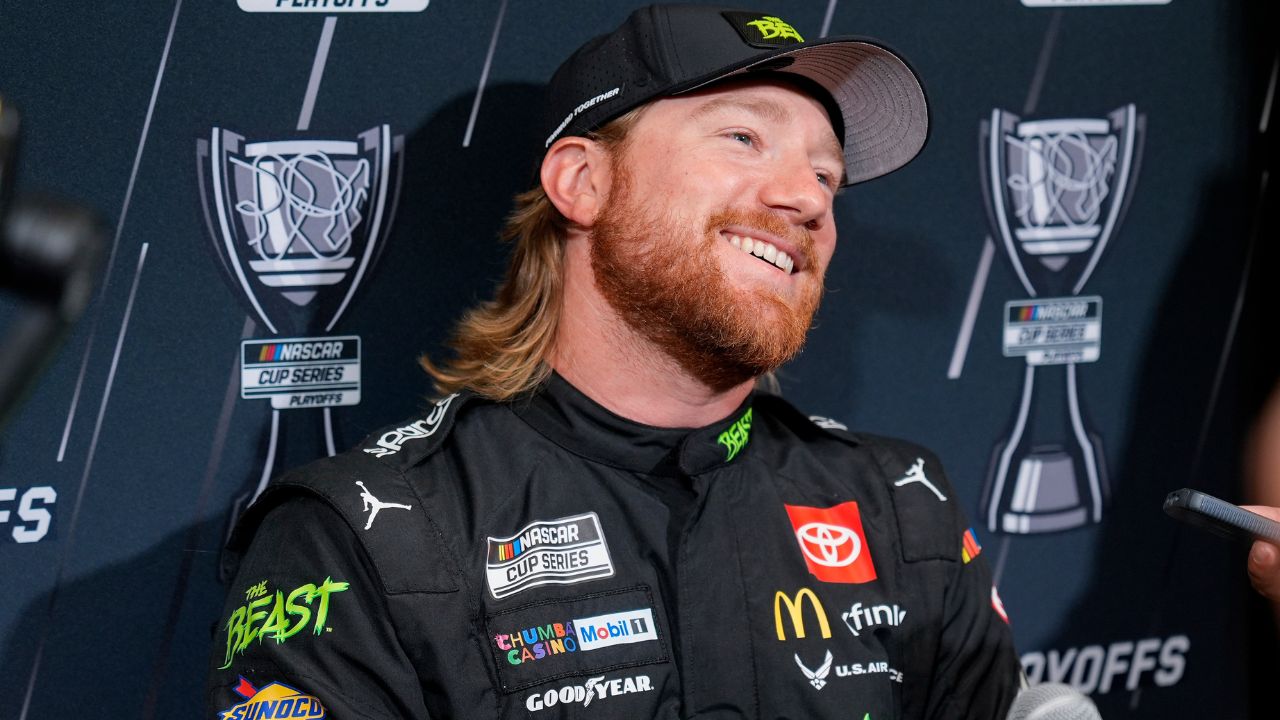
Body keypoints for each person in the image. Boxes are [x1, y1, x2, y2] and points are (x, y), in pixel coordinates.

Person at [205, 5, 1022, 719]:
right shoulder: (363, 539)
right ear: (583, 181)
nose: (807, 199)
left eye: (825, 175)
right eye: (743, 137)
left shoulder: (904, 508)